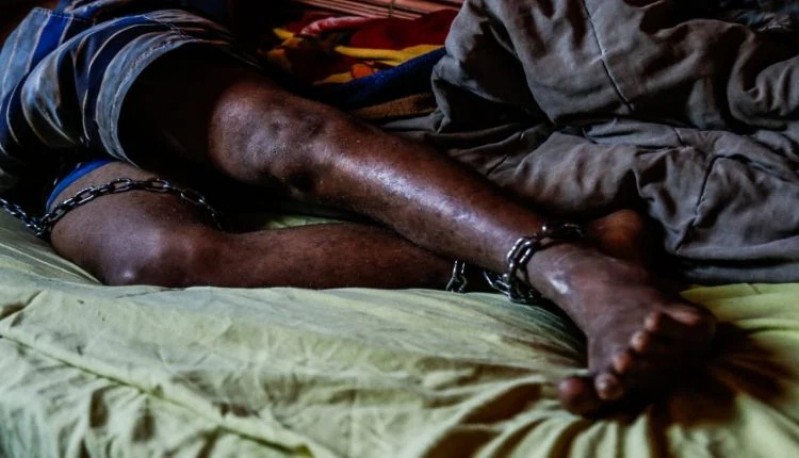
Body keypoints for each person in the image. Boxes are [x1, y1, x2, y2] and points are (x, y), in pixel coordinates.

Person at [0, 0, 716, 416]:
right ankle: (585, 241)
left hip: (178, 60)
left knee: (276, 135)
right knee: (150, 259)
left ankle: (575, 274)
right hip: (55, 106)